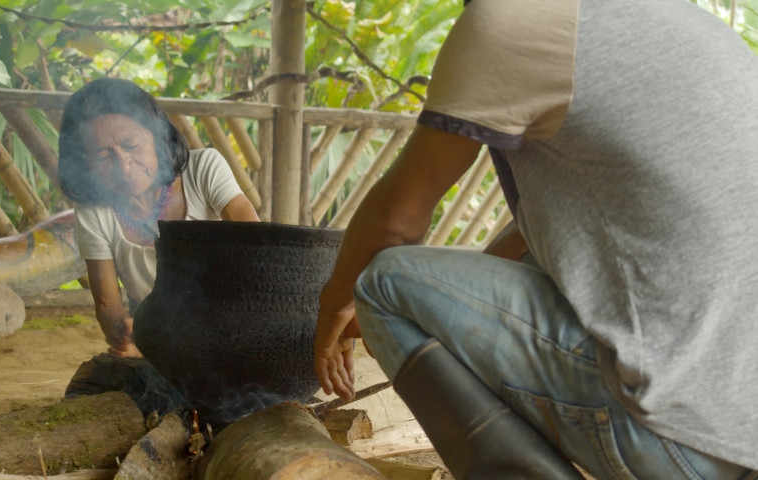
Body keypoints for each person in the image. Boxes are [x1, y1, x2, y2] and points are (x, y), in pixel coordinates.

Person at [314, 0, 758, 478]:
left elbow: (395, 224)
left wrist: (334, 304)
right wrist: (449, 320)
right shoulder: (682, 22)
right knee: (527, 267)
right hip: (741, 435)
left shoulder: (512, 19)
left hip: (674, 440)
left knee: (383, 282)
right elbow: (538, 236)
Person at [58, 78, 259, 359]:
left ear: (158, 135)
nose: (123, 165)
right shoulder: (94, 210)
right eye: (104, 156)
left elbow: (260, 247)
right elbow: (107, 304)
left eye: (131, 145)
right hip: (158, 338)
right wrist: (121, 329)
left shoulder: (204, 169)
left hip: (234, 325)